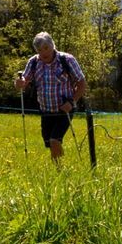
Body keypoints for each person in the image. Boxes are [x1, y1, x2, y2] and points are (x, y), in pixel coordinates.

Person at [15, 32, 87, 165]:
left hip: (64, 110)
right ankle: (59, 166)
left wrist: (72, 102)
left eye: (46, 48)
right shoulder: (34, 62)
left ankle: (59, 171)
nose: (43, 53)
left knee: (55, 140)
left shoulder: (67, 60)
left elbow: (82, 83)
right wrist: (20, 83)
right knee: (49, 143)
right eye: (40, 50)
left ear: (52, 45)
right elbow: (24, 81)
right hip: (46, 111)